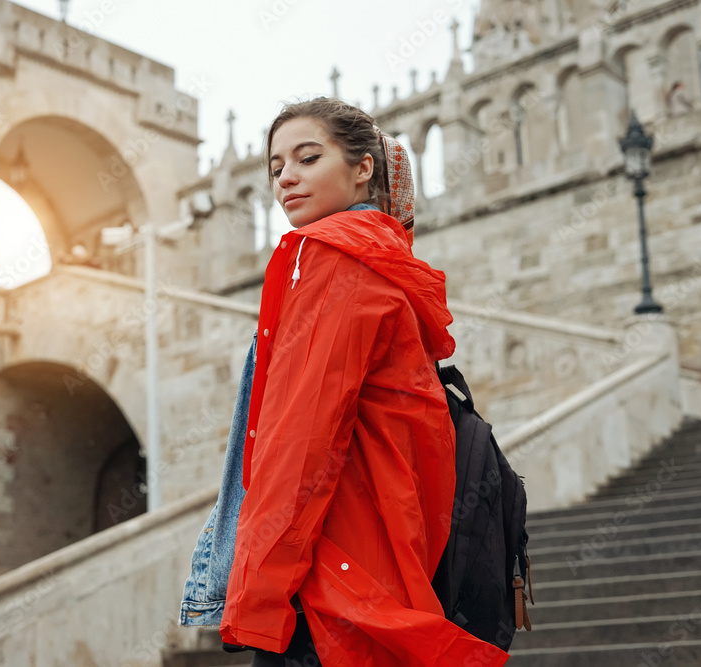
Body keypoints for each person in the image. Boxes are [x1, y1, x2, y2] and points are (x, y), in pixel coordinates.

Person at [180, 98, 509, 666]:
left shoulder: (335, 262)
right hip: (375, 563)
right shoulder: (378, 261)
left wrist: (258, 594)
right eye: (276, 166)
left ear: (363, 168)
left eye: (307, 158)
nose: (287, 176)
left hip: (330, 583)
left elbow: (301, 441)